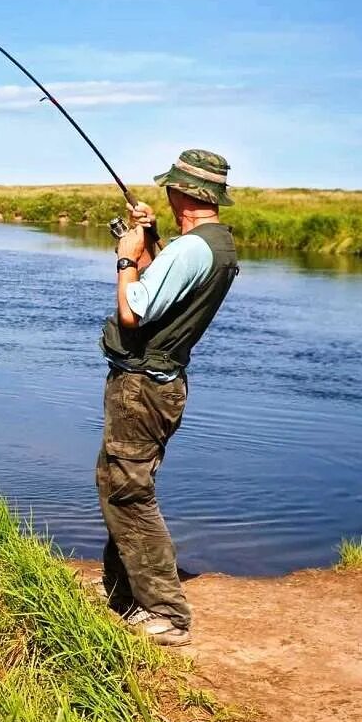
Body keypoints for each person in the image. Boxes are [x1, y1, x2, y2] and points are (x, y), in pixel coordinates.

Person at [96, 149, 239, 647]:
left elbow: (136, 309)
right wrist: (151, 240)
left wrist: (124, 255)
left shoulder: (192, 249)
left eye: (171, 187)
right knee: (116, 480)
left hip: (143, 388)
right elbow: (164, 287)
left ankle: (166, 613)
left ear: (187, 193)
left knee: (130, 490)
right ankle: (123, 589)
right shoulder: (212, 245)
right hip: (157, 384)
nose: (165, 192)